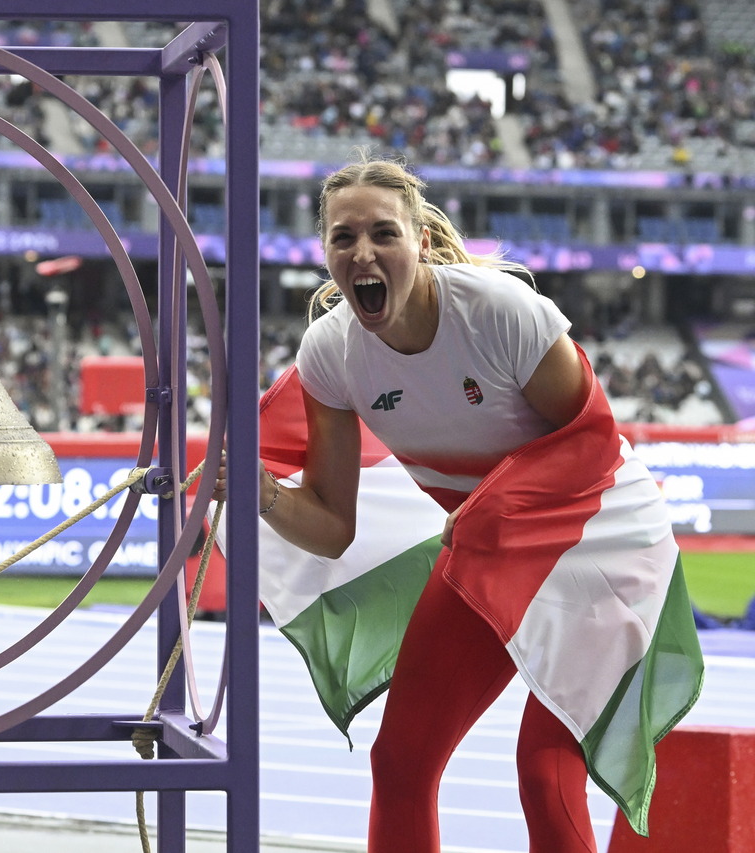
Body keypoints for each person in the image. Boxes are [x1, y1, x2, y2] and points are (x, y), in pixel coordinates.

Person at [214, 155, 701, 852]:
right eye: (343, 238)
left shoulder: (503, 315)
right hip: (483, 545)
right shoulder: (332, 352)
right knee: (402, 759)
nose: (362, 252)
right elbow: (328, 528)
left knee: (544, 767)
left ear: (419, 241)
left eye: (383, 233)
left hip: (600, 540)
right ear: (324, 251)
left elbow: (591, 449)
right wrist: (264, 495)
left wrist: (487, 514)